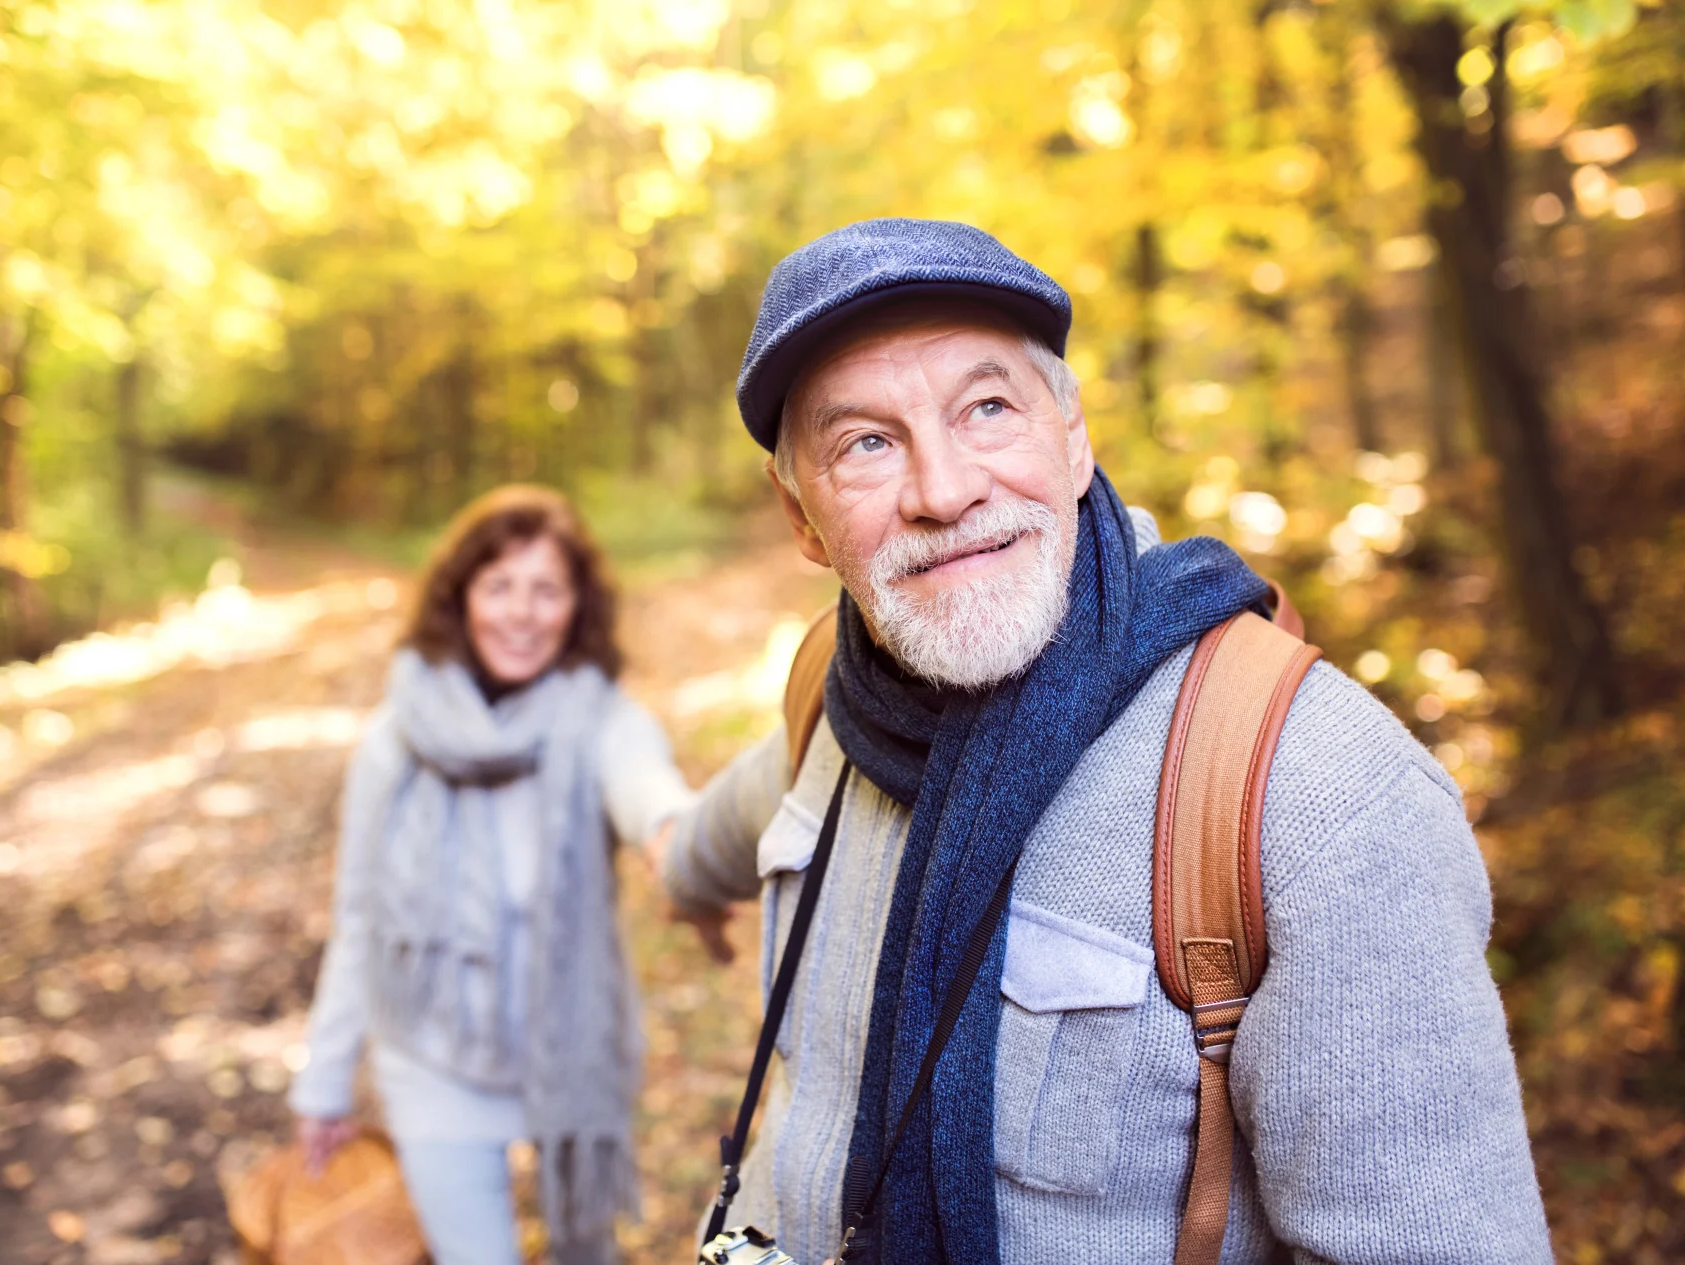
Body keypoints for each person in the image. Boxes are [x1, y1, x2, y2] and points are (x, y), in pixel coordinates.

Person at [658, 220, 1552, 1264]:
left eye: (987, 408)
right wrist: (678, 871)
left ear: (1073, 435)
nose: (943, 490)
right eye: (865, 442)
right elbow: (731, 821)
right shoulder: (836, 697)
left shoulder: (1310, 791)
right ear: (802, 517)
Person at [290, 485, 691, 1265]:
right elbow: (360, 919)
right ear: (461, 596)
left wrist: (678, 833)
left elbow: (647, 785)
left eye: (547, 590)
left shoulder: (600, 719)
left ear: (577, 607)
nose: (522, 612)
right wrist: (324, 1081)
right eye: (499, 585)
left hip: (568, 1053)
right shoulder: (395, 740)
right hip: (433, 1057)